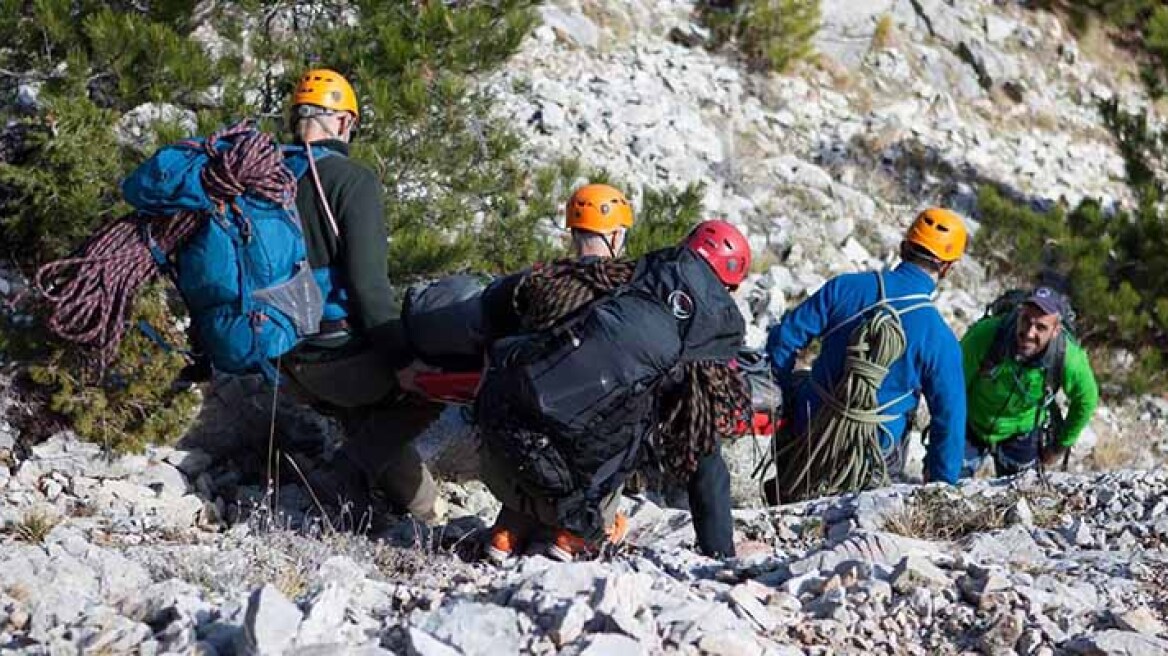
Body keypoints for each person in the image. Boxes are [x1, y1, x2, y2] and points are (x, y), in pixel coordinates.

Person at [478, 220, 752, 563]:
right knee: (632, 419)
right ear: (730, 282)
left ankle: (507, 531)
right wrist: (720, 553)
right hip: (576, 465)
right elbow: (703, 453)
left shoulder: (639, 269)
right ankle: (574, 535)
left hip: (504, 426)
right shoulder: (713, 329)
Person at [276, 68, 444, 525]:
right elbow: (370, 290)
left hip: (280, 357)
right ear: (345, 123)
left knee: (368, 422)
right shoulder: (351, 180)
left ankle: (422, 511)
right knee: (435, 385)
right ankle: (342, 476)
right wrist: (405, 361)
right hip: (335, 356)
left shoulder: (266, 175)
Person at [764, 208, 969, 498]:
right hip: (872, 455)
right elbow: (949, 420)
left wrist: (784, 398)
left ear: (903, 248)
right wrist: (940, 486)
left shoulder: (845, 287)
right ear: (948, 268)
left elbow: (784, 339)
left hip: (810, 429)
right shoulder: (940, 338)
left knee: (801, 380)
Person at [960, 286, 1099, 477]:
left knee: (1020, 499)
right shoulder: (986, 335)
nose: (1029, 332)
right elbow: (953, 383)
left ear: (1056, 330)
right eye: (1025, 320)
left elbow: (1086, 400)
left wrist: (1059, 446)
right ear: (1019, 313)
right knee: (944, 485)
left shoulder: (1068, 358)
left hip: (1021, 431)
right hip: (970, 421)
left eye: (1041, 327)